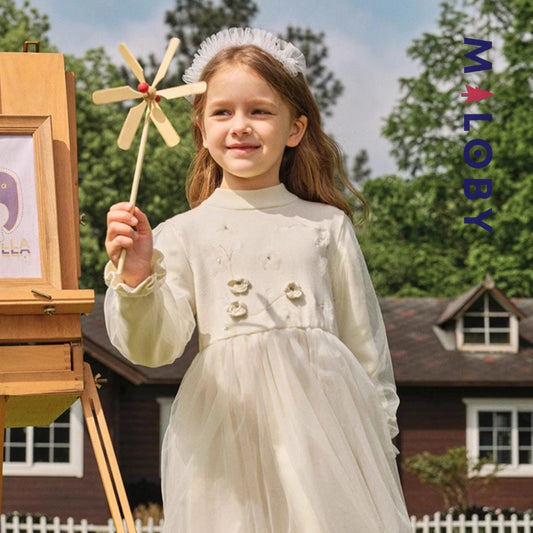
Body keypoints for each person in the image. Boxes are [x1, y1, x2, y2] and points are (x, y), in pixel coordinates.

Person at [104, 27, 411, 532]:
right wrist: (138, 274)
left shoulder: (324, 226)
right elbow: (152, 348)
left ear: (294, 128)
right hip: (228, 439)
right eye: (222, 112)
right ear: (201, 128)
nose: (240, 126)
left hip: (326, 443)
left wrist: (376, 441)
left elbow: (366, 348)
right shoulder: (180, 235)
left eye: (260, 111)